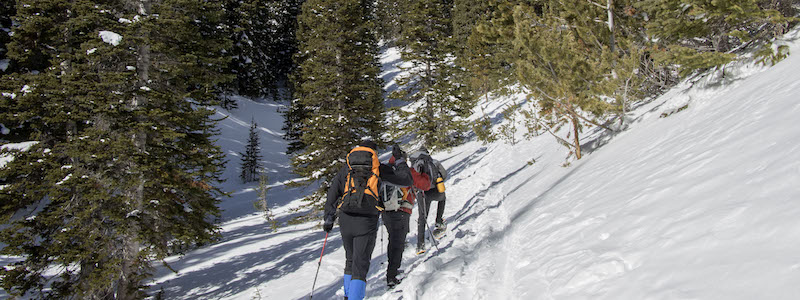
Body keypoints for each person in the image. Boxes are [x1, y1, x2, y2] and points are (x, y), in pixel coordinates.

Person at [323, 140, 412, 300]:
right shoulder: (378, 168)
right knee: (360, 264)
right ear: (374, 154)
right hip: (366, 220)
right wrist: (399, 160)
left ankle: (347, 296)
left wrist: (328, 217)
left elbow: (333, 193)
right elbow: (406, 180)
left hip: (345, 218)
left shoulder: (346, 169)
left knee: (350, 260)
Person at [381, 146, 430, 287]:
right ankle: (392, 275)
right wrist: (425, 173)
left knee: (393, 240)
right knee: (398, 242)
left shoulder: (385, 170)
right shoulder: (407, 172)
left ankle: (392, 270)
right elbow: (425, 185)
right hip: (402, 210)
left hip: (386, 211)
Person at [410, 147, 447, 254]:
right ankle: (439, 222)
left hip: (422, 193)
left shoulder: (415, 164)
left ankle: (420, 245)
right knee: (443, 198)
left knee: (422, 218)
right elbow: (444, 174)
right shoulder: (434, 162)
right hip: (435, 190)